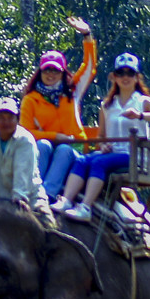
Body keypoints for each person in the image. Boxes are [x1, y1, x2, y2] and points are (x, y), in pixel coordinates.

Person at [57, 52, 150, 221]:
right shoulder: (107, 105)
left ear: (136, 77)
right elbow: (102, 135)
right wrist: (103, 146)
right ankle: (66, 200)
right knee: (82, 160)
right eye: (121, 73)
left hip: (133, 157)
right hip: (112, 153)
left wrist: (141, 115)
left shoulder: (142, 101)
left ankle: (86, 207)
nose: (125, 77)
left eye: (130, 73)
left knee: (99, 162)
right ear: (114, 77)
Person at [21, 15, 99, 202]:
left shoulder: (72, 91)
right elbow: (25, 132)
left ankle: (47, 195)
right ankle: (33, 190)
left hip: (73, 145)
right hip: (46, 145)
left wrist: (87, 35)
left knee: (64, 149)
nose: (51, 74)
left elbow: (89, 67)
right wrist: (55, 136)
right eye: (47, 70)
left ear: (62, 73)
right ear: (40, 72)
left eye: (55, 70)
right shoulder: (31, 99)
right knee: (43, 145)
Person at [0, 96, 55, 228]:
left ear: (17, 119)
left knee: (49, 228)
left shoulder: (25, 140)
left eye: (10, 118)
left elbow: (22, 171)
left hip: (29, 200)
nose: (6, 122)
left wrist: (19, 198)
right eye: (2, 118)